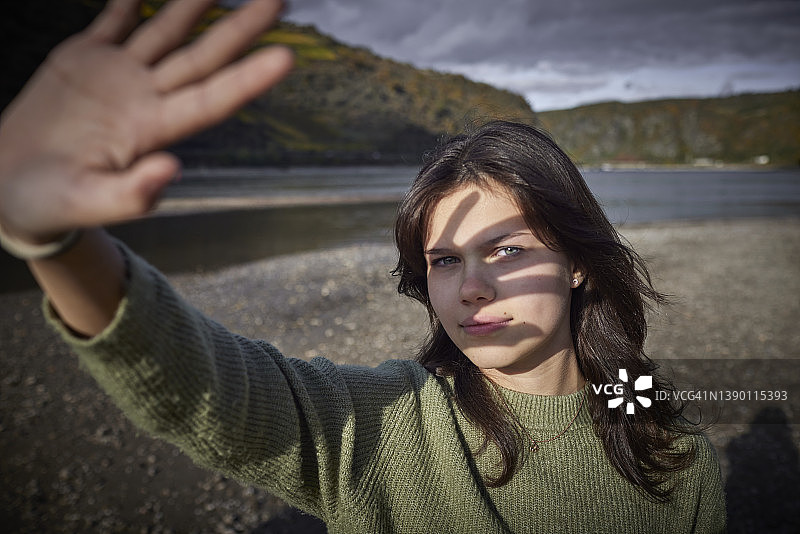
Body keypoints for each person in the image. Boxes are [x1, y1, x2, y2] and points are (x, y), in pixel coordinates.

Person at [0, 0, 726, 532]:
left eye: (506, 250)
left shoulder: (680, 461)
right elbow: (205, 386)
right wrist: (51, 240)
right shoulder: (383, 423)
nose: (471, 287)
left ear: (578, 264)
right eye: (444, 260)